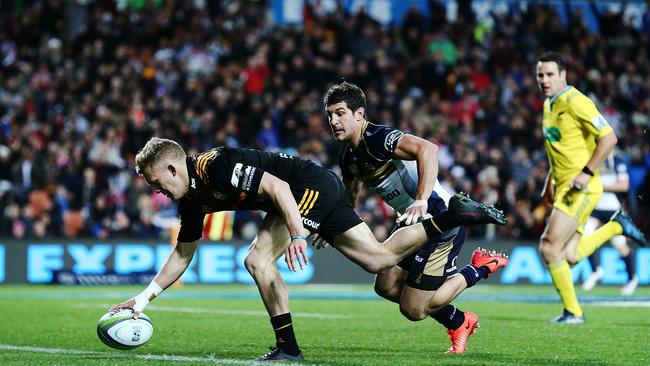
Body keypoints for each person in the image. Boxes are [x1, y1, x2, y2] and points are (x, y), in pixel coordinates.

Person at [109, 137, 507, 361]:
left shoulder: (216, 165)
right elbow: (182, 254)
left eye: (155, 181)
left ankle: (288, 349)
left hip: (306, 186)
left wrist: (298, 233)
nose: (155, 191)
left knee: (257, 258)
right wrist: (143, 300)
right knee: (379, 260)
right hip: (319, 188)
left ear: (174, 168)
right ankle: (454, 216)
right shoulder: (191, 201)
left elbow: (279, 188)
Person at [320, 81, 509, 354]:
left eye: (340, 113)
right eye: (329, 115)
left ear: (359, 114)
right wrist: (328, 227)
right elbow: (350, 202)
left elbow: (428, 149)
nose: (333, 121)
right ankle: (459, 320)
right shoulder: (348, 157)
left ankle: (480, 267)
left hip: (440, 222)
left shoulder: (379, 138)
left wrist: (421, 199)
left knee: (414, 309)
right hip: (410, 224)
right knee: (385, 286)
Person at [536, 52, 646, 324]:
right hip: (563, 187)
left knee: (549, 248)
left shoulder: (576, 101)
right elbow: (558, 149)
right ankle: (616, 226)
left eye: (550, 74)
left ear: (563, 75)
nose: (545, 79)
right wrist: (549, 182)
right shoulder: (549, 104)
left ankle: (573, 313)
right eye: (540, 75)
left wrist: (586, 172)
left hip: (580, 188)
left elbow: (609, 138)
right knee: (568, 256)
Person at [581, 152, 638, 295]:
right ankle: (595, 270)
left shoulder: (618, 161)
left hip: (614, 209)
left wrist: (599, 186)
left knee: (619, 245)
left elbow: (624, 185)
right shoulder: (592, 160)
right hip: (596, 208)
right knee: (585, 236)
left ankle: (631, 278)